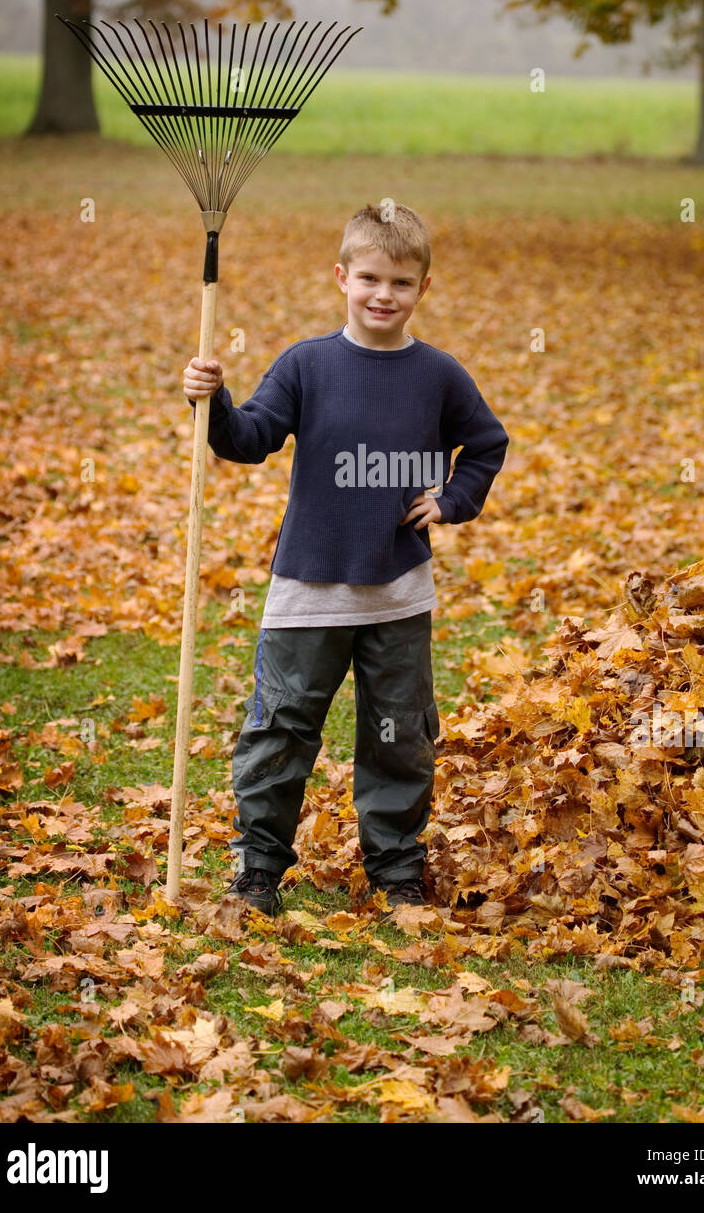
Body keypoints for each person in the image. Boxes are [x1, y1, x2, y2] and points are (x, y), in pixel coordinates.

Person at [183, 203, 509, 916]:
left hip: (398, 592)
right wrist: (214, 403)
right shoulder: (307, 364)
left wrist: (452, 500)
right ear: (341, 277)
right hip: (308, 584)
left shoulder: (438, 375)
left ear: (424, 288)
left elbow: (486, 443)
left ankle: (395, 870)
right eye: (368, 277)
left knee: (398, 734)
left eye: (399, 281)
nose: (382, 294)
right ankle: (258, 869)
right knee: (281, 727)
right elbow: (250, 438)